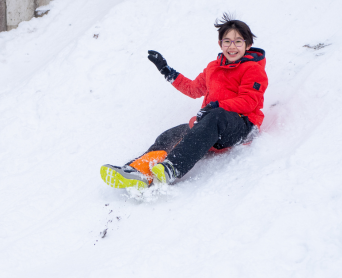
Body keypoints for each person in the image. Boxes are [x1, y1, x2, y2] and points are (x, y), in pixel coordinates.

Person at [100, 14, 268, 189]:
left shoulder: (253, 69)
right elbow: (194, 89)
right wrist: (167, 71)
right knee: (169, 137)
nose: (232, 46)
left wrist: (216, 106)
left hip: (241, 127)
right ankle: (136, 171)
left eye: (238, 42)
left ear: (248, 45)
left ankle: (172, 168)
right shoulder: (213, 68)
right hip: (211, 126)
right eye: (227, 41)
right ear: (220, 44)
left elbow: (249, 101)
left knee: (216, 116)